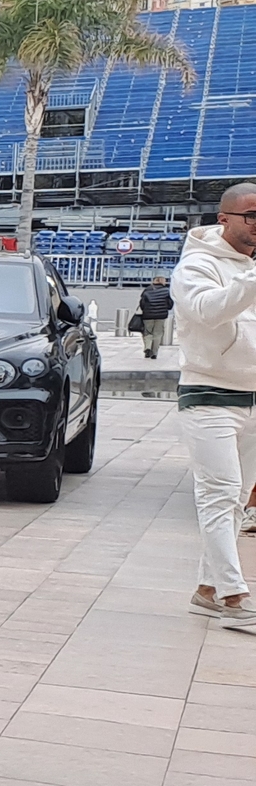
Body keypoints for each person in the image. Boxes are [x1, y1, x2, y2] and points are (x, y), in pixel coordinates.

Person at [173, 185, 256, 630]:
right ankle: (233, 595)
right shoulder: (196, 265)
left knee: (238, 499)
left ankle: (207, 590)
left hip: (253, 396)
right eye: (252, 215)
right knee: (219, 494)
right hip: (209, 395)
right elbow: (207, 311)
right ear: (223, 218)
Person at [137, 272, 174, 358]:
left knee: (147, 332)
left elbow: (142, 303)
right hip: (161, 316)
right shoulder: (167, 291)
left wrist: (145, 310)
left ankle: (147, 347)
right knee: (158, 334)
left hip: (148, 315)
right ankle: (154, 353)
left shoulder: (147, 289)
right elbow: (170, 304)